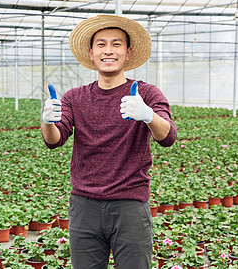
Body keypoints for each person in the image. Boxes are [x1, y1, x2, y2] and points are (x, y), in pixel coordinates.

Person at [41, 14, 177, 269]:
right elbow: (55, 140)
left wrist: (148, 115)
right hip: (84, 206)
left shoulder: (146, 93)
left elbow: (168, 136)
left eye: (116, 44)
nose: (108, 50)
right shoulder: (75, 97)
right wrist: (48, 121)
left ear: (128, 52)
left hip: (130, 206)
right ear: (91, 53)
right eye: (101, 44)